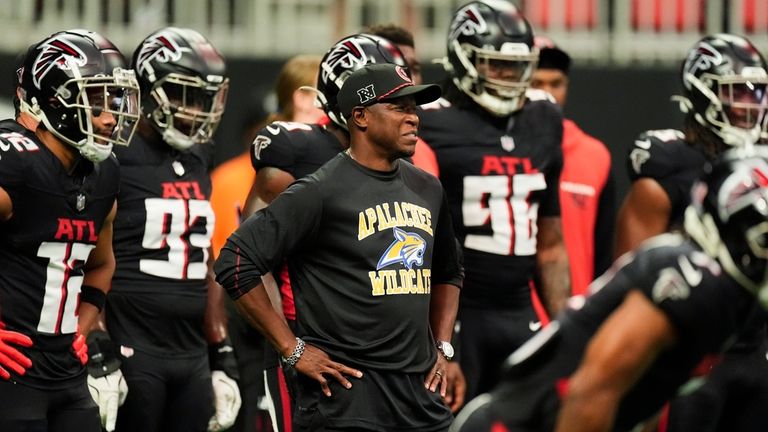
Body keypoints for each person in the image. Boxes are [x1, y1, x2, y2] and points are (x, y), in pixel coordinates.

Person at [215, 63, 462, 432]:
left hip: (417, 394)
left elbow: (449, 271)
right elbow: (236, 261)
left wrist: (443, 347)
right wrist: (292, 348)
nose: (413, 118)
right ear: (360, 117)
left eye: (414, 108)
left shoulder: (428, 188)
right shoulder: (319, 190)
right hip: (346, 397)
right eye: (399, 107)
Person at [451, 147, 768, 432]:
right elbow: (589, 392)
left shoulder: (731, 298)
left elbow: (648, 396)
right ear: (732, 226)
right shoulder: (689, 277)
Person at [418, 0, 571, 403]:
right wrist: (438, 340)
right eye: (497, 65)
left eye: (518, 67)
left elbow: (551, 244)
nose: (510, 78)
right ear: (464, 59)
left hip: (520, 309)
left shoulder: (543, 118)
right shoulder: (429, 120)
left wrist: (565, 326)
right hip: (458, 315)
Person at [615, 34, 768, 431]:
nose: (748, 106)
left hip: (757, 350)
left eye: (757, 94)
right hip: (690, 352)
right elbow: (633, 282)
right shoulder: (667, 168)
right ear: (703, 93)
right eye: (737, 93)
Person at [0, 30, 140, 431]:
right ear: (51, 100)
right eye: (95, 102)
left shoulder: (104, 172)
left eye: (114, 100)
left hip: (67, 374)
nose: (111, 116)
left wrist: (83, 325)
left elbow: (100, 266)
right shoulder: (16, 161)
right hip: (11, 376)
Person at [106, 27, 240, 432]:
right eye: (185, 96)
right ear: (148, 90)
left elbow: (207, 257)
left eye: (204, 99)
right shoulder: (112, 152)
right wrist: (95, 344)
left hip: (191, 350)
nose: (196, 111)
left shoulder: (199, 153)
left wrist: (221, 348)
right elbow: (84, 253)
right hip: (131, 343)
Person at [529, 36, 615, 297]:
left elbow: (602, 255)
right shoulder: (497, 151)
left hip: (574, 320)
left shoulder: (595, 156)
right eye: (536, 83)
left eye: (556, 84)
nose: (547, 93)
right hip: (512, 320)